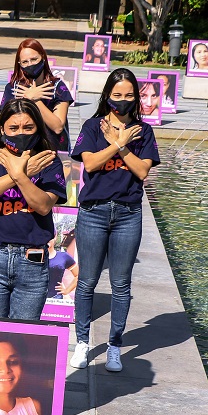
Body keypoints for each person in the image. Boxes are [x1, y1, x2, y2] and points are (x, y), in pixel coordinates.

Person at [69, 68, 159, 372]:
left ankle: (114, 346)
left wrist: (121, 145)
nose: (122, 100)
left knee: (121, 283)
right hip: (93, 212)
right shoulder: (93, 126)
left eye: (129, 95)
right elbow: (91, 164)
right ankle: (82, 342)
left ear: (136, 98)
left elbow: (142, 171)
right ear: (107, 95)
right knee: (87, 281)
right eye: (117, 95)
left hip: (127, 214)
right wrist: (115, 142)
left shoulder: (144, 132)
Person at [0, 99, 67, 320]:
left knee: (24, 338)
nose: (21, 133)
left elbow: (43, 205)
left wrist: (22, 176)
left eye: (28, 127)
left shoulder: (49, 161)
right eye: (14, 128)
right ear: (2, 129)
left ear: (38, 128)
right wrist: (17, 175)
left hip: (33, 261)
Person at [0, 39, 73, 151]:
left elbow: (58, 127)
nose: (30, 65)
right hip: (19, 149)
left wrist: (35, 100)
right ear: (19, 64)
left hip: (51, 149)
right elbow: (3, 124)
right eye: (25, 62)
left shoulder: (57, 87)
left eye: (34, 59)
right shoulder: (13, 88)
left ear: (43, 57)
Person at [47, 235, 77, 299]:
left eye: (49, 236)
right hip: (36, 298)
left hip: (56, 298)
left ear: (55, 237)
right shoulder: (34, 256)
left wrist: (67, 290)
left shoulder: (63, 257)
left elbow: (78, 275)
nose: (47, 239)